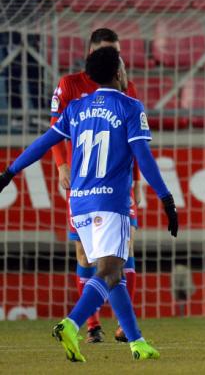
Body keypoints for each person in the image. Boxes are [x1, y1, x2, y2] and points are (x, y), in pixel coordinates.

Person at [0, 46, 178, 362]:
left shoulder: (76, 107)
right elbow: (144, 159)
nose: (126, 72)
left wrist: (10, 171)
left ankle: (137, 342)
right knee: (110, 270)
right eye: (123, 66)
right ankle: (72, 323)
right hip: (111, 202)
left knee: (114, 273)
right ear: (117, 72)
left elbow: (44, 143)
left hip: (79, 204)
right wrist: (166, 197)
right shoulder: (130, 106)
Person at [50, 28, 141, 343]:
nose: (116, 57)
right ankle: (91, 325)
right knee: (86, 255)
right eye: (108, 51)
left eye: (117, 50)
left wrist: (138, 180)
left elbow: (136, 141)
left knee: (124, 248)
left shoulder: (126, 87)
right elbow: (55, 131)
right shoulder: (70, 85)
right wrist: (63, 165)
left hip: (117, 182)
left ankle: (124, 326)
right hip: (84, 182)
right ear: (91, 53)